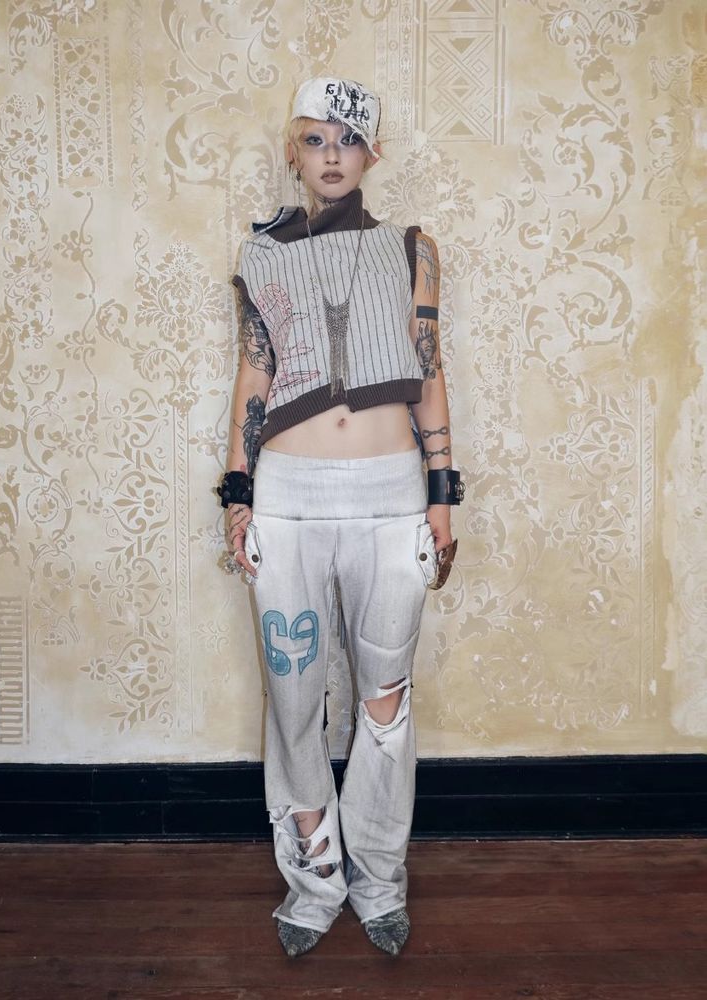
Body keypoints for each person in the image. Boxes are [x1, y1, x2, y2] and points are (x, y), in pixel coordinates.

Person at [218, 76, 462, 958]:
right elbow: (253, 375)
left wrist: (442, 493)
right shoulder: (259, 257)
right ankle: (314, 881)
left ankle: (380, 878)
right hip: (289, 499)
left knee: (384, 700)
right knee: (294, 700)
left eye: (347, 140)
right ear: (294, 151)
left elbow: (429, 370)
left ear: (372, 154)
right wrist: (237, 492)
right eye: (315, 140)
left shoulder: (412, 250)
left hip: (390, 498)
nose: (331, 156)